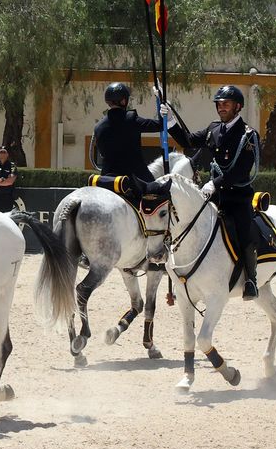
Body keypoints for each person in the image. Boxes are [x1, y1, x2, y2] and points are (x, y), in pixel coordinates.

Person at [166, 84, 262, 299]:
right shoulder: (213, 129)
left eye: (226, 104)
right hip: (214, 196)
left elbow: (240, 171)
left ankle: (250, 280)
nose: (221, 107)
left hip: (237, 198)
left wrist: (214, 183)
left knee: (245, 233)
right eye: (219, 104)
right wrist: (170, 120)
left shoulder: (248, 135)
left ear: (238, 106)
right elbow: (188, 141)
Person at [91, 82, 164, 196]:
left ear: (108, 102)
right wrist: (161, 103)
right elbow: (160, 125)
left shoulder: (98, 126)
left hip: (107, 177)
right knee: (160, 194)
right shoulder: (131, 119)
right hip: (135, 177)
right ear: (124, 101)